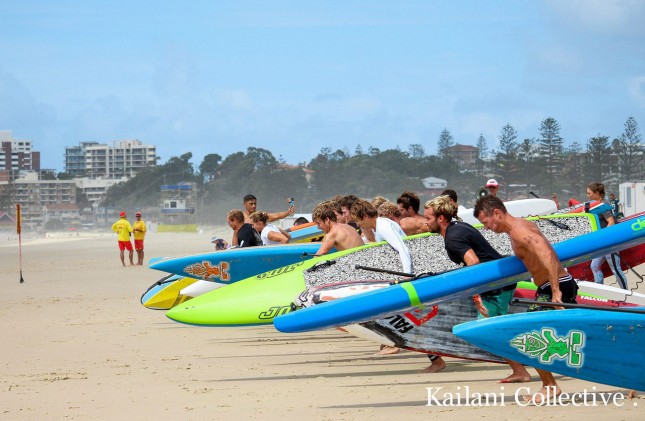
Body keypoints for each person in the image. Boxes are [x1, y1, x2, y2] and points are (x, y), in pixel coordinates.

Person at [474, 195, 579, 404]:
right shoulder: (520, 227)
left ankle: (550, 386)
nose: (487, 228)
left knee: (529, 335)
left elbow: (546, 253)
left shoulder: (519, 231)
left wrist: (556, 291)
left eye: (486, 222)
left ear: (497, 213)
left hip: (552, 288)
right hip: (553, 285)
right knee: (573, 336)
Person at [423, 195, 531, 382]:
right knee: (493, 328)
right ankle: (521, 367)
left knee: (489, 329)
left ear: (440, 218)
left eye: (428, 218)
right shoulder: (459, 227)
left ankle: (522, 369)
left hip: (496, 287)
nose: (425, 222)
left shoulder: (452, 237)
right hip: (498, 281)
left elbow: (474, 263)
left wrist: (476, 295)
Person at [350, 198, 413, 356]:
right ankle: (389, 341)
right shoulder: (380, 226)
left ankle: (393, 343)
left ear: (365, 216)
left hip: (404, 275)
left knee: (389, 307)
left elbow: (403, 249)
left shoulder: (383, 226)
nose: (358, 225)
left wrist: (408, 276)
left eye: (358, 220)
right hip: (398, 274)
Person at [586, 183, 629, 290]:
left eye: (589, 193)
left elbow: (611, 222)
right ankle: (600, 293)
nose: (587, 195)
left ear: (596, 193)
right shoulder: (596, 204)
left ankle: (626, 294)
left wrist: (604, 238)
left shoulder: (603, 205)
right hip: (602, 243)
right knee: (594, 266)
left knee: (615, 268)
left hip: (609, 242)